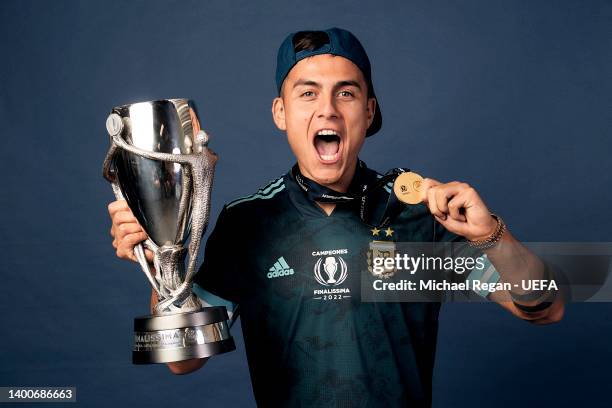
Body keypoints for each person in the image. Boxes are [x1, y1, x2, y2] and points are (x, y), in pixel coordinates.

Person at [108, 27, 564, 407]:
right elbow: (181, 359)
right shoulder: (246, 223)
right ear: (280, 113)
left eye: (345, 93)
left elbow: (548, 307)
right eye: (307, 94)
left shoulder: (419, 212)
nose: (327, 109)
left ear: (368, 111)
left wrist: (491, 235)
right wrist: (165, 261)